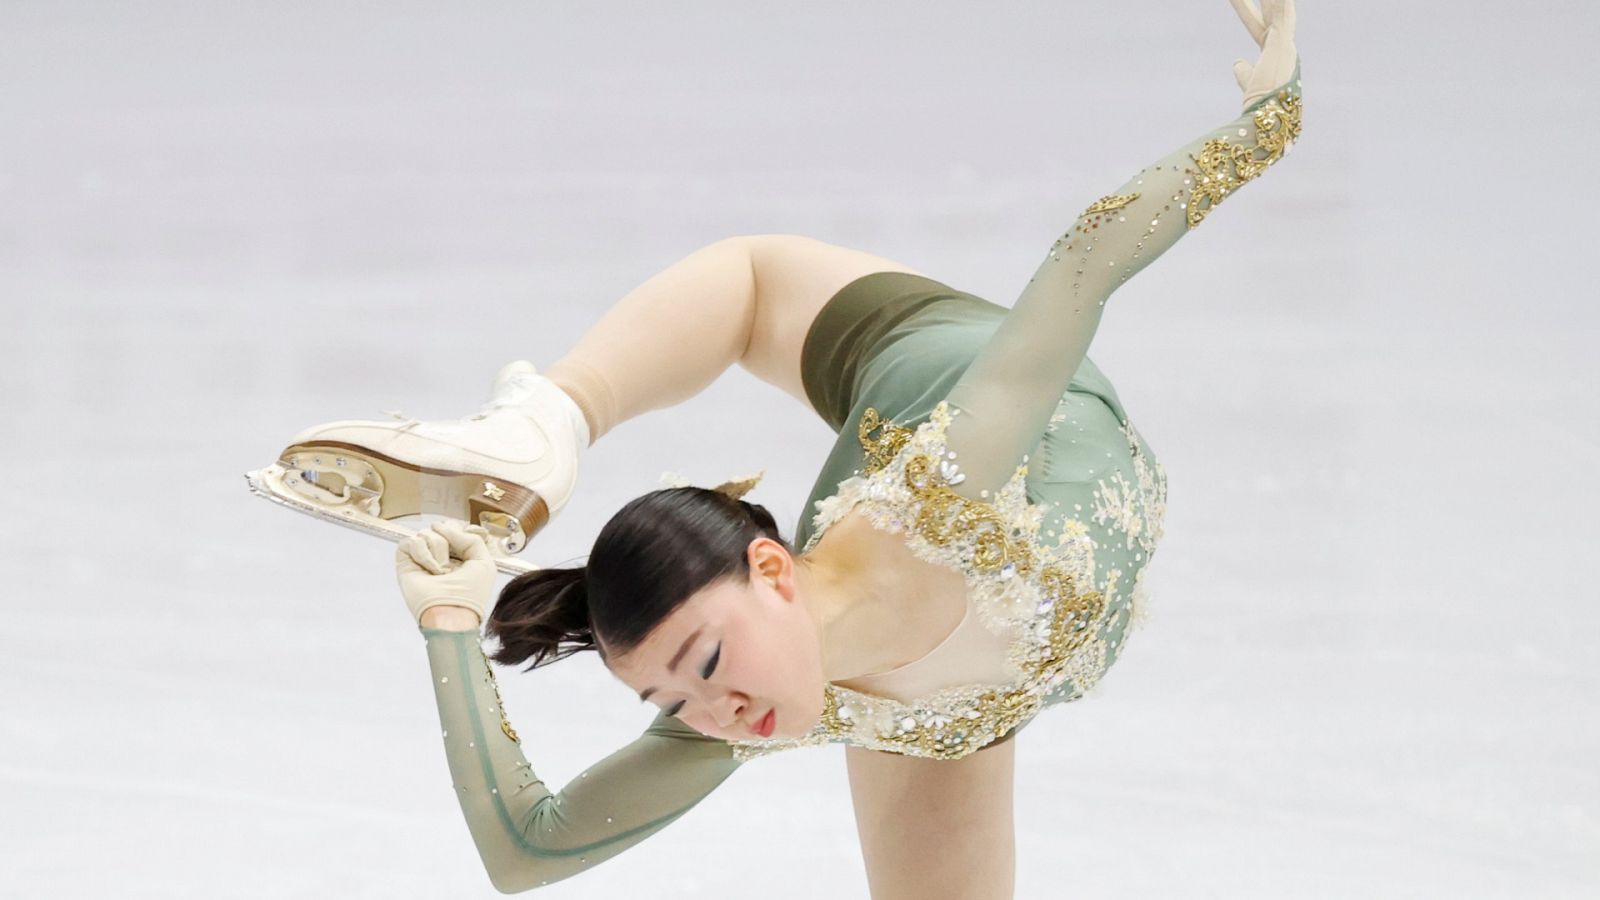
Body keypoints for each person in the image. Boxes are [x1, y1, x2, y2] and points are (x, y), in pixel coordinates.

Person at [261, 2, 1303, 893]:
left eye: (706, 662)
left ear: (772, 570)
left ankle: (548, 418)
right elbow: (526, 850)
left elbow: (1082, 269)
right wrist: (448, 627)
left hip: (949, 378)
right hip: (954, 710)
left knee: (755, 283)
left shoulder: (936, 496)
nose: (713, 709)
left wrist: (1265, 123)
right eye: (669, 699)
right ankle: (536, 435)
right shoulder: (755, 709)